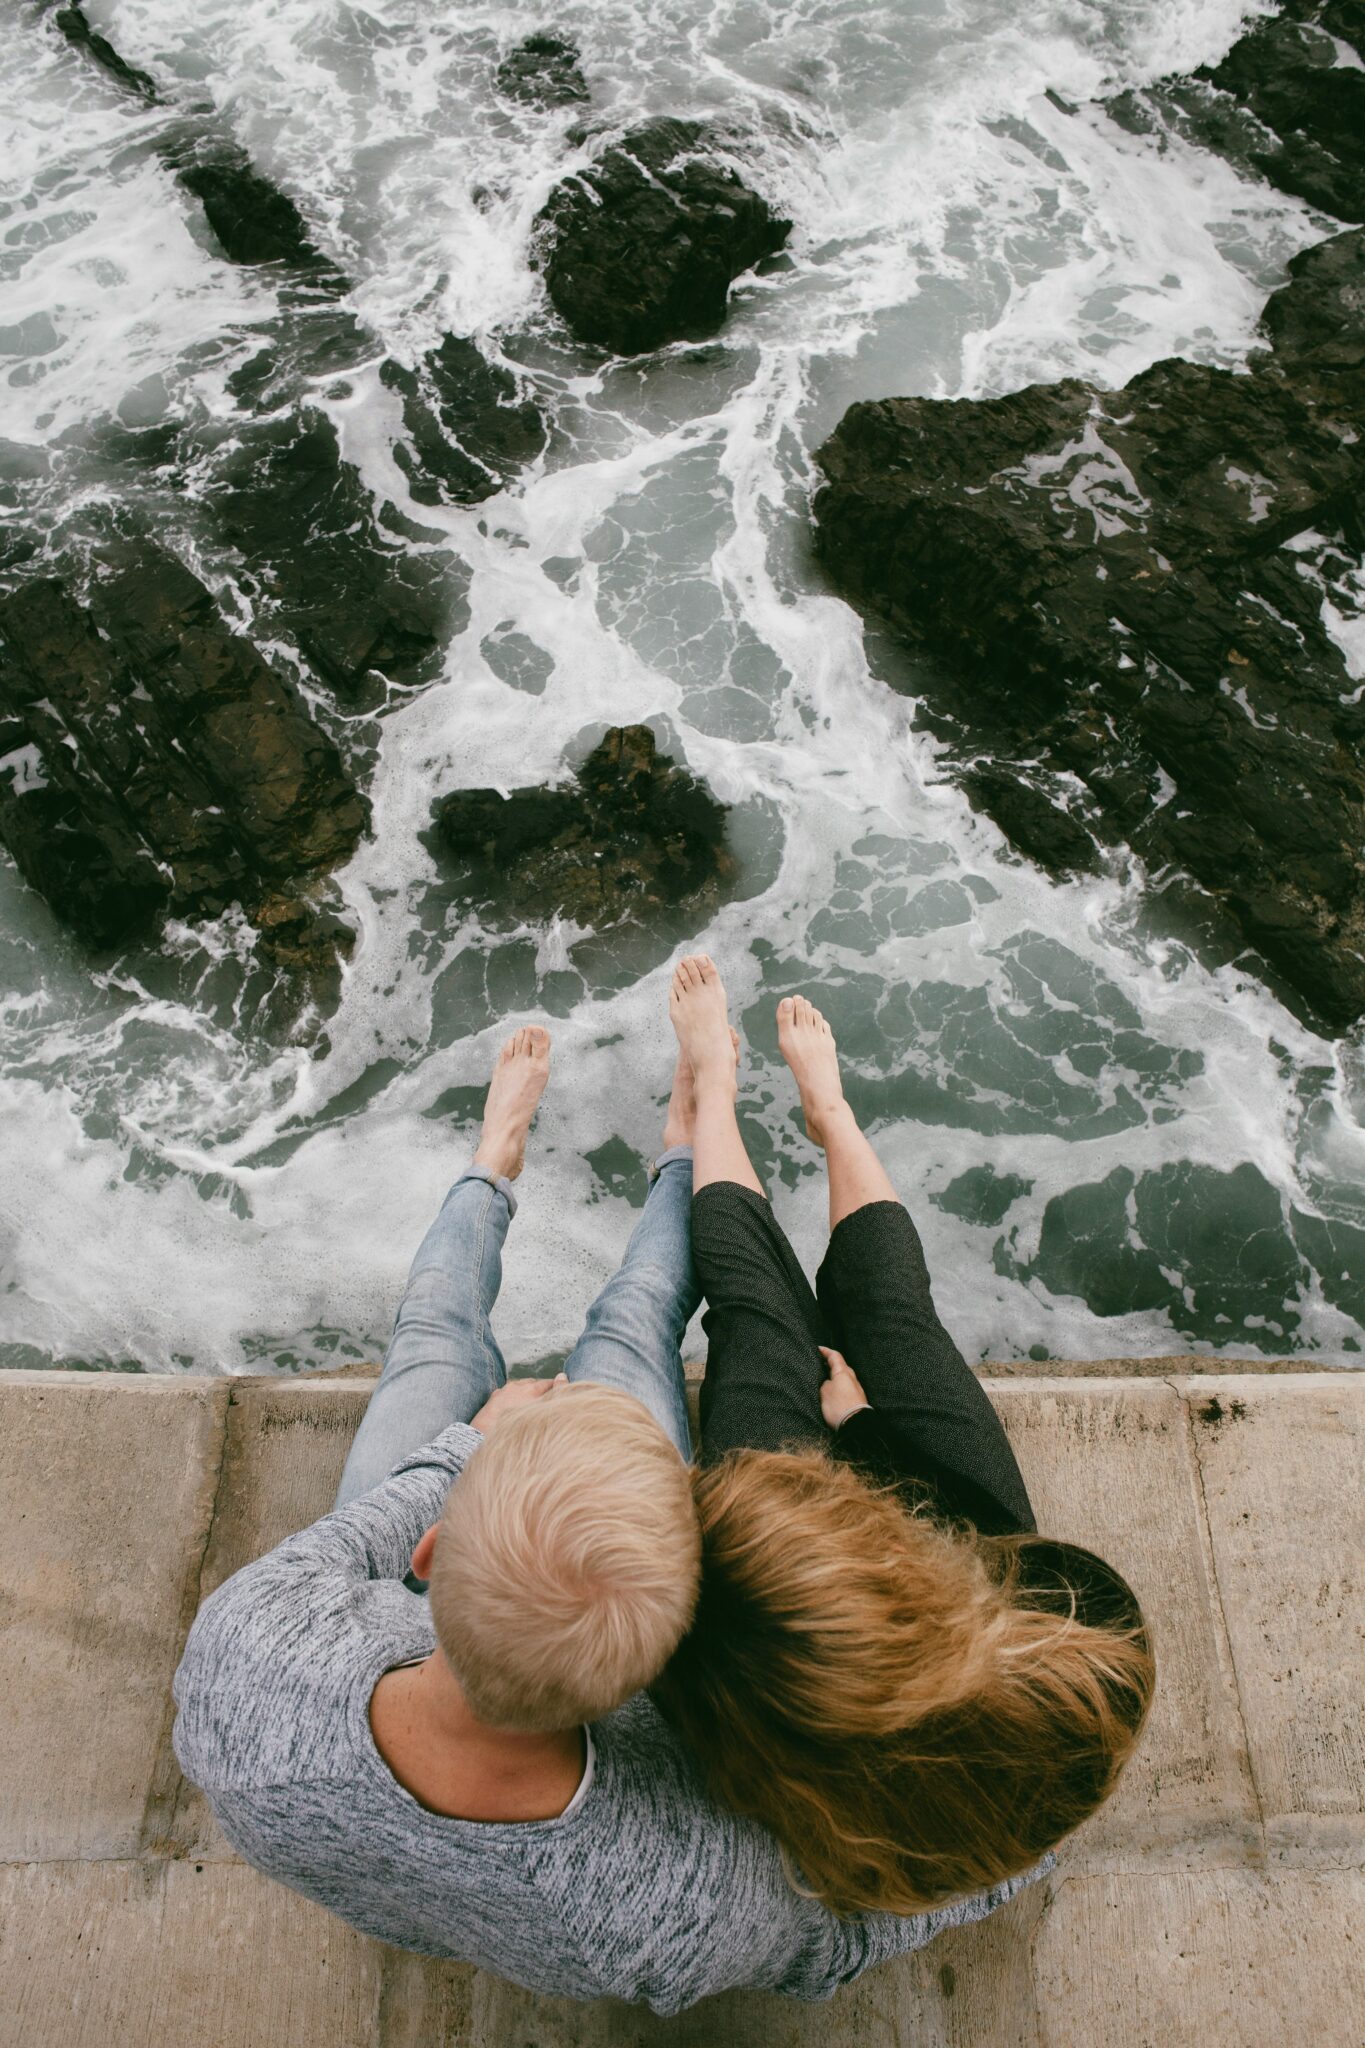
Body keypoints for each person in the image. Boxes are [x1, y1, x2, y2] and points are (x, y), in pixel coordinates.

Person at [172, 1022, 1037, 2017]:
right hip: (535, 1639)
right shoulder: (680, 1891)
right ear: (663, 1668)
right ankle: (680, 1143)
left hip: (412, 1619)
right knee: (630, 1322)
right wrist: (1018, 1850)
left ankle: (498, 1158)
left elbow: (335, 1551)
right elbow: (839, 1935)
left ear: (432, 1545)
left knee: (431, 1345)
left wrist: (467, 1449)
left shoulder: (245, 1660)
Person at [653, 955, 1156, 1917]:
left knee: (758, 1318)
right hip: (981, 1548)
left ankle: (713, 1089)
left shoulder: (760, 1697)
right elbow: (977, 1536)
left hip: (812, 1630)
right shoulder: (1072, 1657)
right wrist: (865, 1428)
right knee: (892, 1313)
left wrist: (829, 1445)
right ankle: (829, 1116)